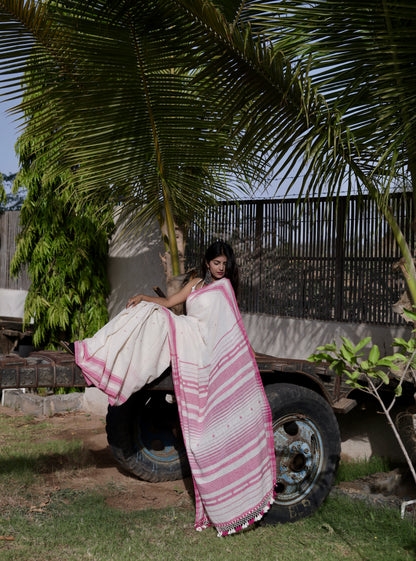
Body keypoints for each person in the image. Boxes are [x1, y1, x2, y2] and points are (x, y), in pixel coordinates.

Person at [70, 240, 276, 536]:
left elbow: (231, 327)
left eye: (224, 264)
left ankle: (230, 497)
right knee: (146, 312)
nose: (220, 268)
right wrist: (144, 297)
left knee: (200, 440)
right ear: (207, 263)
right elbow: (169, 303)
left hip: (203, 345)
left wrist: (248, 353)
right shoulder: (194, 284)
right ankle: (101, 357)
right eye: (216, 263)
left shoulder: (225, 289)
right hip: (188, 332)